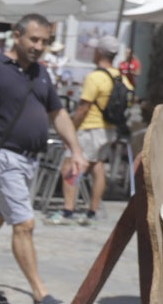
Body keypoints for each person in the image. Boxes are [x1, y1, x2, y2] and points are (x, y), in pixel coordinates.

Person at [0, 13, 88, 304]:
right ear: (17, 36)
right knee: (24, 224)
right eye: (34, 39)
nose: (39, 46)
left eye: (44, 41)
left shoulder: (40, 73)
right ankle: (40, 293)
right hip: (3, 157)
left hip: (29, 161)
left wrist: (76, 150)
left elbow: (58, 113)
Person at [53, 34, 131, 227]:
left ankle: (68, 210)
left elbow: (83, 109)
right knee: (98, 168)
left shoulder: (95, 77)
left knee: (72, 166)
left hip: (90, 127)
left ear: (99, 52)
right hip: (108, 129)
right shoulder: (121, 78)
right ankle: (93, 210)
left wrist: (70, 130)